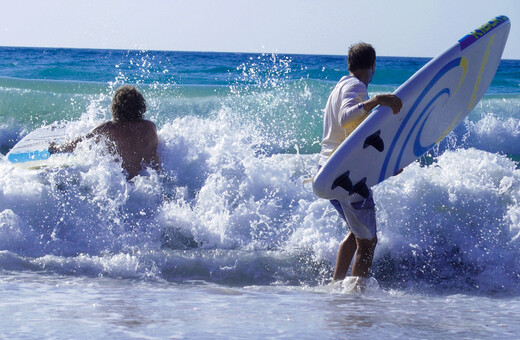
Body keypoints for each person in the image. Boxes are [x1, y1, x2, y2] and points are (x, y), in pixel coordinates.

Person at [317, 43, 402, 281]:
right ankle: (355, 297)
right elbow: (347, 118)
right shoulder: (355, 86)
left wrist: (387, 164)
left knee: (356, 234)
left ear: (349, 64)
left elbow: (354, 140)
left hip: (329, 172)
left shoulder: (339, 87)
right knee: (368, 241)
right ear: (373, 66)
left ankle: (337, 286)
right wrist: (375, 101)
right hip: (346, 176)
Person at [49, 85, 160, 180]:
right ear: (140, 106)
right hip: (147, 179)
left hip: (121, 181)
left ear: (116, 107)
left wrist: (58, 147)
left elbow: (81, 141)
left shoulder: (109, 127)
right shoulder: (150, 126)